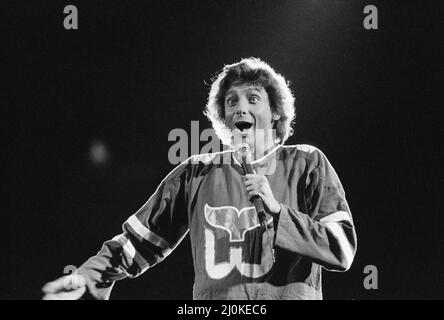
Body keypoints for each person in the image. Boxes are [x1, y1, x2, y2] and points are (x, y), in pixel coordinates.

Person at [42, 57, 357, 300]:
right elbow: (137, 243)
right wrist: (87, 277)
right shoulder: (196, 172)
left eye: (252, 98)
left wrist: (280, 214)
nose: (240, 107)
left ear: (275, 112)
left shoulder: (307, 162)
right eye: (231, 101)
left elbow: (341, 248)